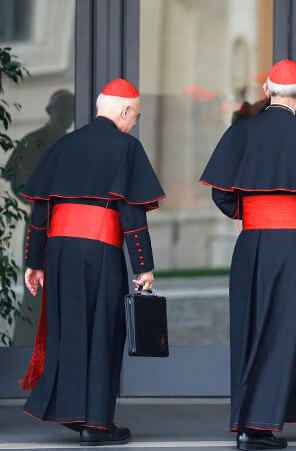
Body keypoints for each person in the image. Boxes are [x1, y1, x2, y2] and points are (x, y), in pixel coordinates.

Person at [200, 59, 296, 450]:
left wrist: (246, 212)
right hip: (292, 244)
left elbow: (220, 193)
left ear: (267, 91)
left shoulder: (241, 131)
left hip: (250, 243)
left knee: (252, 330)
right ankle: (257, 429)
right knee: (287, 332)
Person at [20, 79, 165, 446]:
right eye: (137, 114)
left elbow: (40, 212)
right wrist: (143, 267)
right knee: (103, 333)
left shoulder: (62, 145)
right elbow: (132, 216)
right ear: (126, 111)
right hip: (99, 251)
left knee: (68, 332)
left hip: (59, 253)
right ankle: (97, 424)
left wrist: (34, 262)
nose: (135, 121)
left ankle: (71, 412)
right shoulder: (126, 147)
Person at [2, 89, 75, 346]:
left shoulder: (74, 144)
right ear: (52, 110)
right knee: (36, 290)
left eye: (71, 110)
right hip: (41, 226)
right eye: (63, 109)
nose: (67, 115)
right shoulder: (33, 141)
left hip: (70, 227)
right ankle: (24, 347)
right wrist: (33, 201)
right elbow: (14, 179)